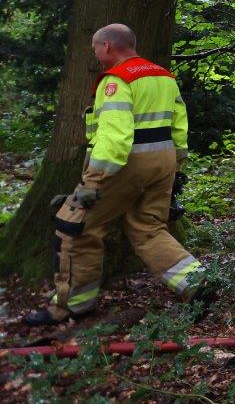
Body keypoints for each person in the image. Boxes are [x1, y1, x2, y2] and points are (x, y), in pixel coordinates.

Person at [24, 23, 215, 325]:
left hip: (126, 165)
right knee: (148, 229)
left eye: (96, 49)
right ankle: (199, 285)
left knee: (76, 227)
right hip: (163, 162)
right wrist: (177, 165)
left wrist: (94, 180)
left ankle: (71, 306)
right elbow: (179, 124)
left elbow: (115, 136)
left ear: (108, 47)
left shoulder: (115, 81)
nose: (96, 55)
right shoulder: (163, 77)